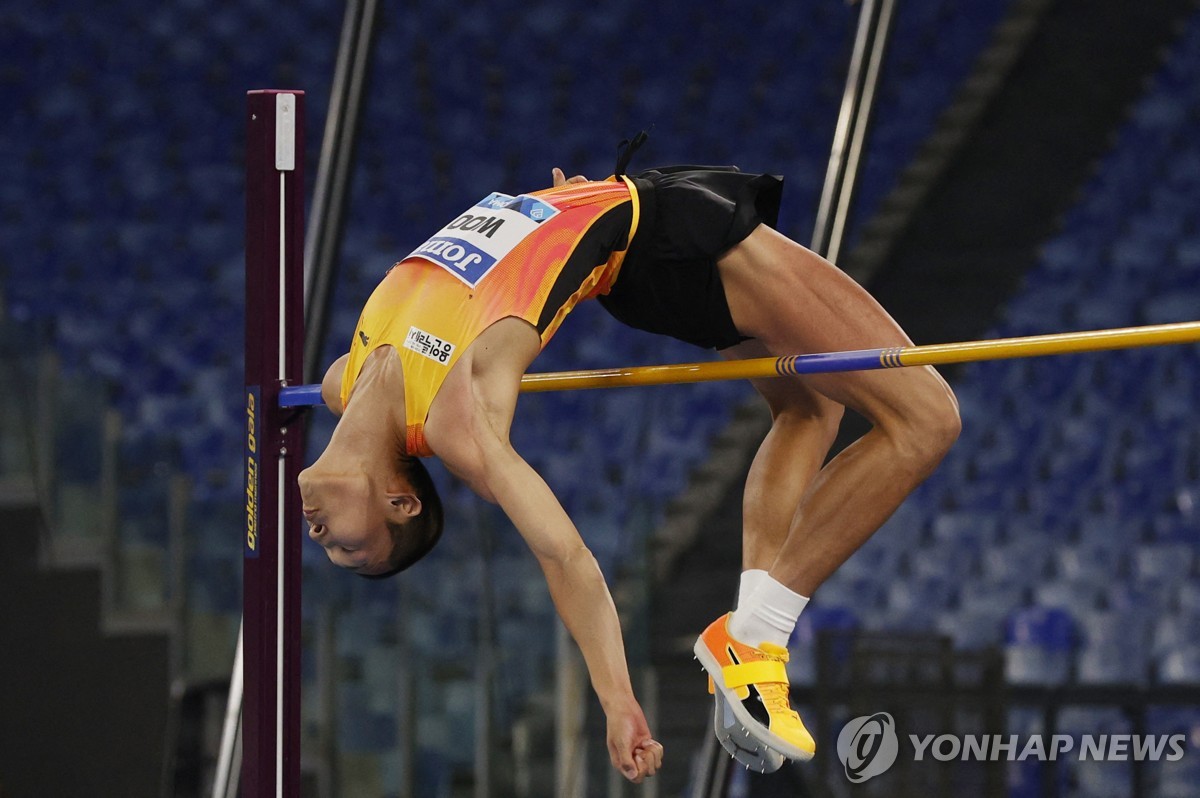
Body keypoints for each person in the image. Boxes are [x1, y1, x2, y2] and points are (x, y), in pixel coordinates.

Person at [297, 150, 961, 781]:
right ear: (400, 500)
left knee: (808, 410)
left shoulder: (344, 384)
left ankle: (755, 648)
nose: (322, 539)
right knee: (926, 420)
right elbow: (566, 558)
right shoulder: (456, 424)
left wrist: (559, 207)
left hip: (636, 239)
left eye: (338, 548)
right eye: (352, 548)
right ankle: (756, 639)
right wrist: (616, 699)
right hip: (667, 237)